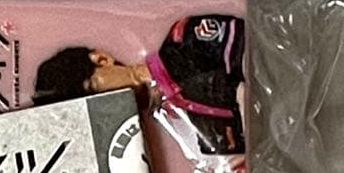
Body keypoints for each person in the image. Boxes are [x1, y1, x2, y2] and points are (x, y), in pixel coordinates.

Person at [32, 15, 246, 158]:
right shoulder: (203, 133)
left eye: (93, 89)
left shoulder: (185, 38)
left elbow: (255, 51)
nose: (105, 107)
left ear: (101, 59)